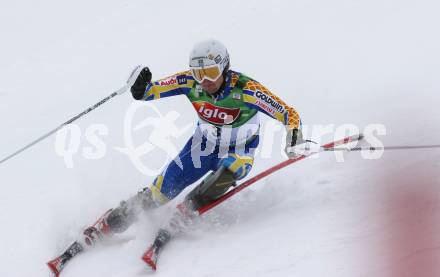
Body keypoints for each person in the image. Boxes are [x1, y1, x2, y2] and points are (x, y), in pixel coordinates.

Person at [80, 39, 306, 246]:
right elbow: (152, 91)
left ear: (224, 67)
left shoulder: (246, 89)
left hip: (240, 149)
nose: (204, 80)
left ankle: (188, 208)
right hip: (202, 147)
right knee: (158, 194)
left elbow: (287, 113)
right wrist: (141, 89)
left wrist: (294, 136)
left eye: (210, 72)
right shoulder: (191, 82)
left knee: (230, 169)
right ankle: (111, 223)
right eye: (198, 73)